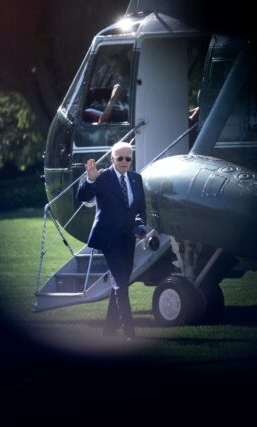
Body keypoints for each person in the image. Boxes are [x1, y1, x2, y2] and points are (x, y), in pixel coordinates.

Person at [76, 141, 147, 340]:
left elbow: (140, 209)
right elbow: (82, 197)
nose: (124, 162)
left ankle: (108, 329)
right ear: (112, 158)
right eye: (120, 158)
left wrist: (140, 226)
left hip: (128, 239)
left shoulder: (135, 178)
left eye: (128, 158)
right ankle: (130, 333)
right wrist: (89, 181)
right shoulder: (102, 177)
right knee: (121, 284)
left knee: (121, 281)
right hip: (109, 239)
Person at [97, 54, 130, 123]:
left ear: (123, 67)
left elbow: (104, 118)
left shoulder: (119, 86)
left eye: (116, 67)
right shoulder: (127, 82)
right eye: (111, 67)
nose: (112, 70)